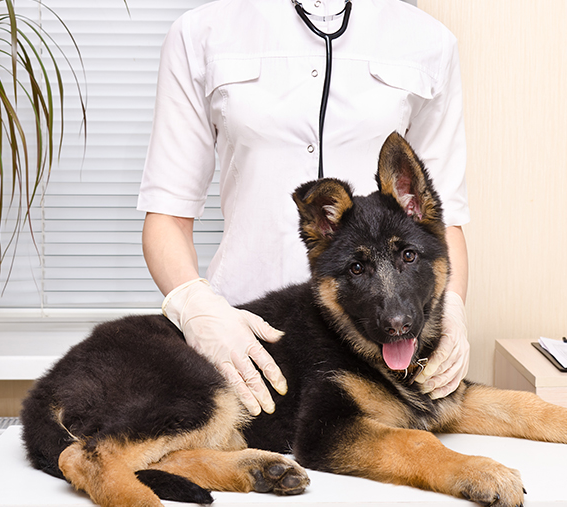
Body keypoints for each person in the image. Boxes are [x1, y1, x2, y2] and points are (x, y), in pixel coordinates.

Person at [137, 0, 470, 417]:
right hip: (245, 334)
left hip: (377, 343)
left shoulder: (429, 42)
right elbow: (167, 213)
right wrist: (197, 309)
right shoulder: (199, 34)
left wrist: (452, 310)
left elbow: (442, 220)